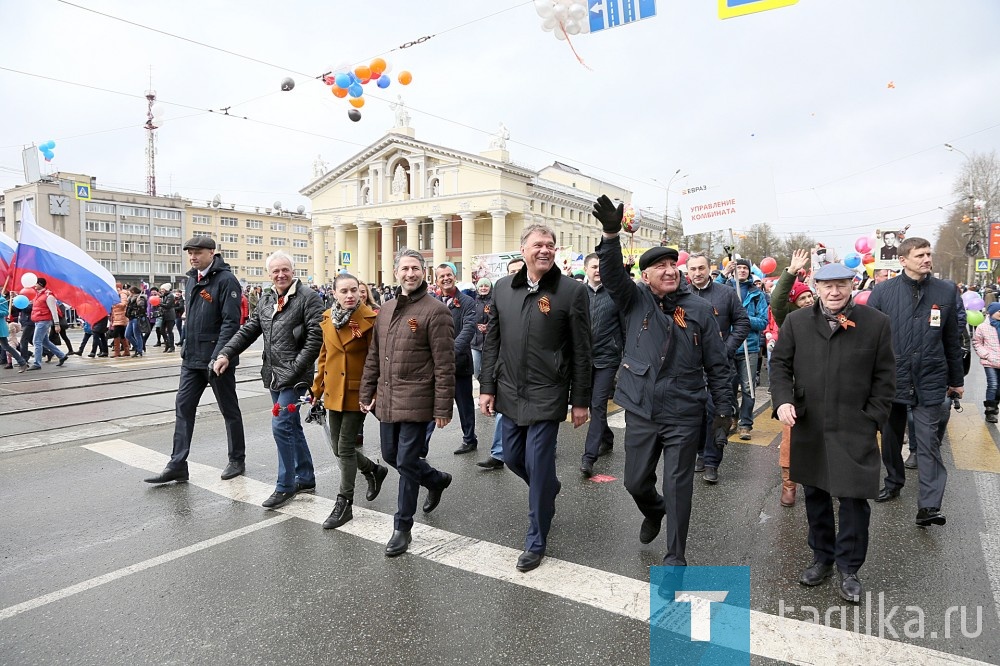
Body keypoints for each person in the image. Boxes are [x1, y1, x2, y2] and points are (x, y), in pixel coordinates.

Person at [592, 195, 731, 568]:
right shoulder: (634, 300)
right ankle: (653, 511)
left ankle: (676, 555)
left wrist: (724, 410)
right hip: (640, 406)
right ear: (647, 275)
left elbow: (718, 366)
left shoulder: (700, 309)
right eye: (660, 267)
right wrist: (610, 235)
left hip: (684, 409)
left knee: (678, 485)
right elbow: (612, 276)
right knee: (635, 482)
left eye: (674, 264)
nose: (670, 271)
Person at [770, 262, 894, 603]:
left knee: (854, 499)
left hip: (855, 424)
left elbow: (886, 376)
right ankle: (822, 557)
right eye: (827, 286)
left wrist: (873, 417)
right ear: (817, 286)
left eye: (841, 284)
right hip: (811, 423)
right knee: (817, 495)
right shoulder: (797, 321)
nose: (834, 292)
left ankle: (849, 568)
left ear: (852, 284)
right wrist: (782, 400)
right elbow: (779, 364)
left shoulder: (876, 323)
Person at [480, 225, 591, 573]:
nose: (545, 250)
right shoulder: (502, 289)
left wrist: (580, 401)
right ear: (523, 249)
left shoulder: (572, 292)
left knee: (539, 465)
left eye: (550, 245)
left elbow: (581, 351)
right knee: (513, 456)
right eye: (538, 245)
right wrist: (487, 387)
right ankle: (547, 490)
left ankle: (535, 539)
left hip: (548, 393)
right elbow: (491, 343)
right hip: (510, 391)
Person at [359, 248, 455, 558]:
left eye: (415, 268)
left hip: (418, 399)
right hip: (387, 398)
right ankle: (436, 479)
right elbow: (374, 354)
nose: (410, 273)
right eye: (405, 268)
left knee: (405, 462)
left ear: (423, 273)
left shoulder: (436, 310)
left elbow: (444, 364)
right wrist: (367, 392)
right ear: (396, 272)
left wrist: (443, 408)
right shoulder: (385, 310)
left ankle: (402, 527)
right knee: (391, 455)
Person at [215, 251, 325, 509]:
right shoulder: (266, 299)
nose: (280, 274)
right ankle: (306, 476)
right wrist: (226, 353)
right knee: (291, 426)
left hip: (296, 378)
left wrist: (294, 370)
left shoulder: (309, 298)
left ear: (293, 270)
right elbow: (250, 330)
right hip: (274, 374)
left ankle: (285, 485)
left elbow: (314, 341)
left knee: (281, 426)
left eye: (285, 269)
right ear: (269, 274)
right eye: (275, 271)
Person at [867, 237, 963, 527]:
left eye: (929, 254)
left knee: (929, 443)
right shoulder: (883, 292)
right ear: (903, 260)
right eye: (920, 254)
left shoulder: (945, 291)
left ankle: (929, 507)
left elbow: (951, 340)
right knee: (891, 438)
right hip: (891, 378)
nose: (926, 259)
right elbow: (869, 340)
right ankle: (894, 481)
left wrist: (956, 380)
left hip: (931, 379)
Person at [144, 237, 247, 485]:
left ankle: (237, 459)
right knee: (183, 407)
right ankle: (177, 464)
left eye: (198, 252)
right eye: (190, 253)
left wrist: (220, 356)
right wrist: (185, 348)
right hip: (191, 359)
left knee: (229, 410)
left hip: (217, 359)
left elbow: (231, 323)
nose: (193, 257)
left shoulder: (226, 280)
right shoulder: (192, 279)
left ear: (212, 252)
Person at [310, 273, 388, 528]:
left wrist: (373, 391)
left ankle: (344, 503)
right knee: (337, 448)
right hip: (333, 390)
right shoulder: (328, 318)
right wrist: (316, 390)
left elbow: (376, 360)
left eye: (354, 290)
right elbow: (324, 357)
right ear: (334, 293)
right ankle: (373, 471)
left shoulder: (370, 319)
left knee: (344, 448)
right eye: (343, 291)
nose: (350, 295)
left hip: (357, 392)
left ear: (361, 291)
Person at [685, 252, 750, 484]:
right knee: (696, 415)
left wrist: (726, 349)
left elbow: (743, 322)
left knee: (717, 413)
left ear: (708, 268)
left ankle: (713, 461)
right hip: (690, 368)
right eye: (692, 269)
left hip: (720, 367)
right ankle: (701, 453)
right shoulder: (681, 295)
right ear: (687, 271)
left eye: (701, 268)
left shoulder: (727, 294)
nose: (697, 273)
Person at [768, 249, 815, 506]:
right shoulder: (788, 319)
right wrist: (791, 272)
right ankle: (789, 484)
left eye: (810, 296)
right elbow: (777, 300)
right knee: (790, 438)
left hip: (822, 388)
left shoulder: (824, 316)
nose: (808, 300)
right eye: (802, 298)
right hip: (795, 390)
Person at [476, 257, 525, 471]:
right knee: (503, 414)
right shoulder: (502, 296)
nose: (515, 275)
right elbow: (494, 338)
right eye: (511, 271)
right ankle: (498, 454)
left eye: (519, 270)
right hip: (506, 369)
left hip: (537, 373)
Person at [580, 252, 625, 478]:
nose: (598, 271)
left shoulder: (615, 295)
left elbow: (624, 328)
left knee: (598, 405)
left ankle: (589, 457)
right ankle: (606, 438)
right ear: (586, 269)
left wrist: (625, 356)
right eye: (594, 267)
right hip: (584, 359)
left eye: (601, 267)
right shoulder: (578, 294)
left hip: (608, 358)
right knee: (590, 405)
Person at [427, 263, 478, 455]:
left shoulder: (466, 302)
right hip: (435, 365)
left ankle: (469, 439)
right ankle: (422, 446)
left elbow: (468, 329)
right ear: (437, 279)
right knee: (431, 403)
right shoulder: (431, 301)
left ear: (454, 277)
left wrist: (448, 353)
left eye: (449, 275)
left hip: (459, 363)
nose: (446, 278)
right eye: (442, 276)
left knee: (464, 404)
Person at [716, 259, 769, 440]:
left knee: (748, 388)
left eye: (745, 268)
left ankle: (746, 423)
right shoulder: (725, 289)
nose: (742, 271)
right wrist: (723, 276)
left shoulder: (757, 294)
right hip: (729, 346)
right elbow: (709, 296)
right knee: (728, 387)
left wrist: (743, 317)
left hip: (750, 347)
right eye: (738, 268)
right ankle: (733, 417)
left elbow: (763, 321)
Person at [27, 278, 69, 370]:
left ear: (40, 284)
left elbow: (54, 311)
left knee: (36, 341)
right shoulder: (38, 295)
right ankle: (61, 356)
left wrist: (57, 324)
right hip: (38, 321)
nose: (34, 285)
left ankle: (37, 363)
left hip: (44, 321)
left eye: (36, 284)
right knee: (45, 341)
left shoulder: (49, 296)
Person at [972, 302, 1000, 424]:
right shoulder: (983, 327)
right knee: (993, 384)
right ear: (992, 312)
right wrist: (986, 355)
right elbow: (976, 342)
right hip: (989, 361)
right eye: (999, 311)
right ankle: (990, 411)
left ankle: (995, 403)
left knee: (998, 387)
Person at [470, 278, 493, 380]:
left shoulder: (495, 300)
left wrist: (487, 327)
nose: (483, 288)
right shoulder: (473, 301)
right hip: (475, 341)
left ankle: (487, 390)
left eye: (486, 286)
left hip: (490, 341)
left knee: (488, 369)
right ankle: (483, 385)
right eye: (481, 286)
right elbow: (469, 317)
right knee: (475, 369)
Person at [0, 293, 28, 372]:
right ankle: (22, 362)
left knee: (6, 346)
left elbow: (5, 312)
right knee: (6, 346)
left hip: (1, 326)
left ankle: (22, 362)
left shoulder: (2, 300)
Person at [124, 286, 147, 357]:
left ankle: (139, 350)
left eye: (130, 291)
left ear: (133, 291)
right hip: (131, 318)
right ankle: (138, 347)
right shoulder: (130, 298)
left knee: (137, 334)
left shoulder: (140, 297)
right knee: (127, 334)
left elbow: (142, 307)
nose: (129, 293)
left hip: (137, 318)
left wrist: (137, 311)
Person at [159, 283, 176, 353]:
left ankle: (171, 346)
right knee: (162, 330)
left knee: (169, 331)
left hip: (170, 315)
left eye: (162, 289)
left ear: (166, 289)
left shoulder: (170, 296)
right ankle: (167, 344)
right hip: (164, 315)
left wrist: (159, 304)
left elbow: (168, 305)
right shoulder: (164, 296)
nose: (161, 290)